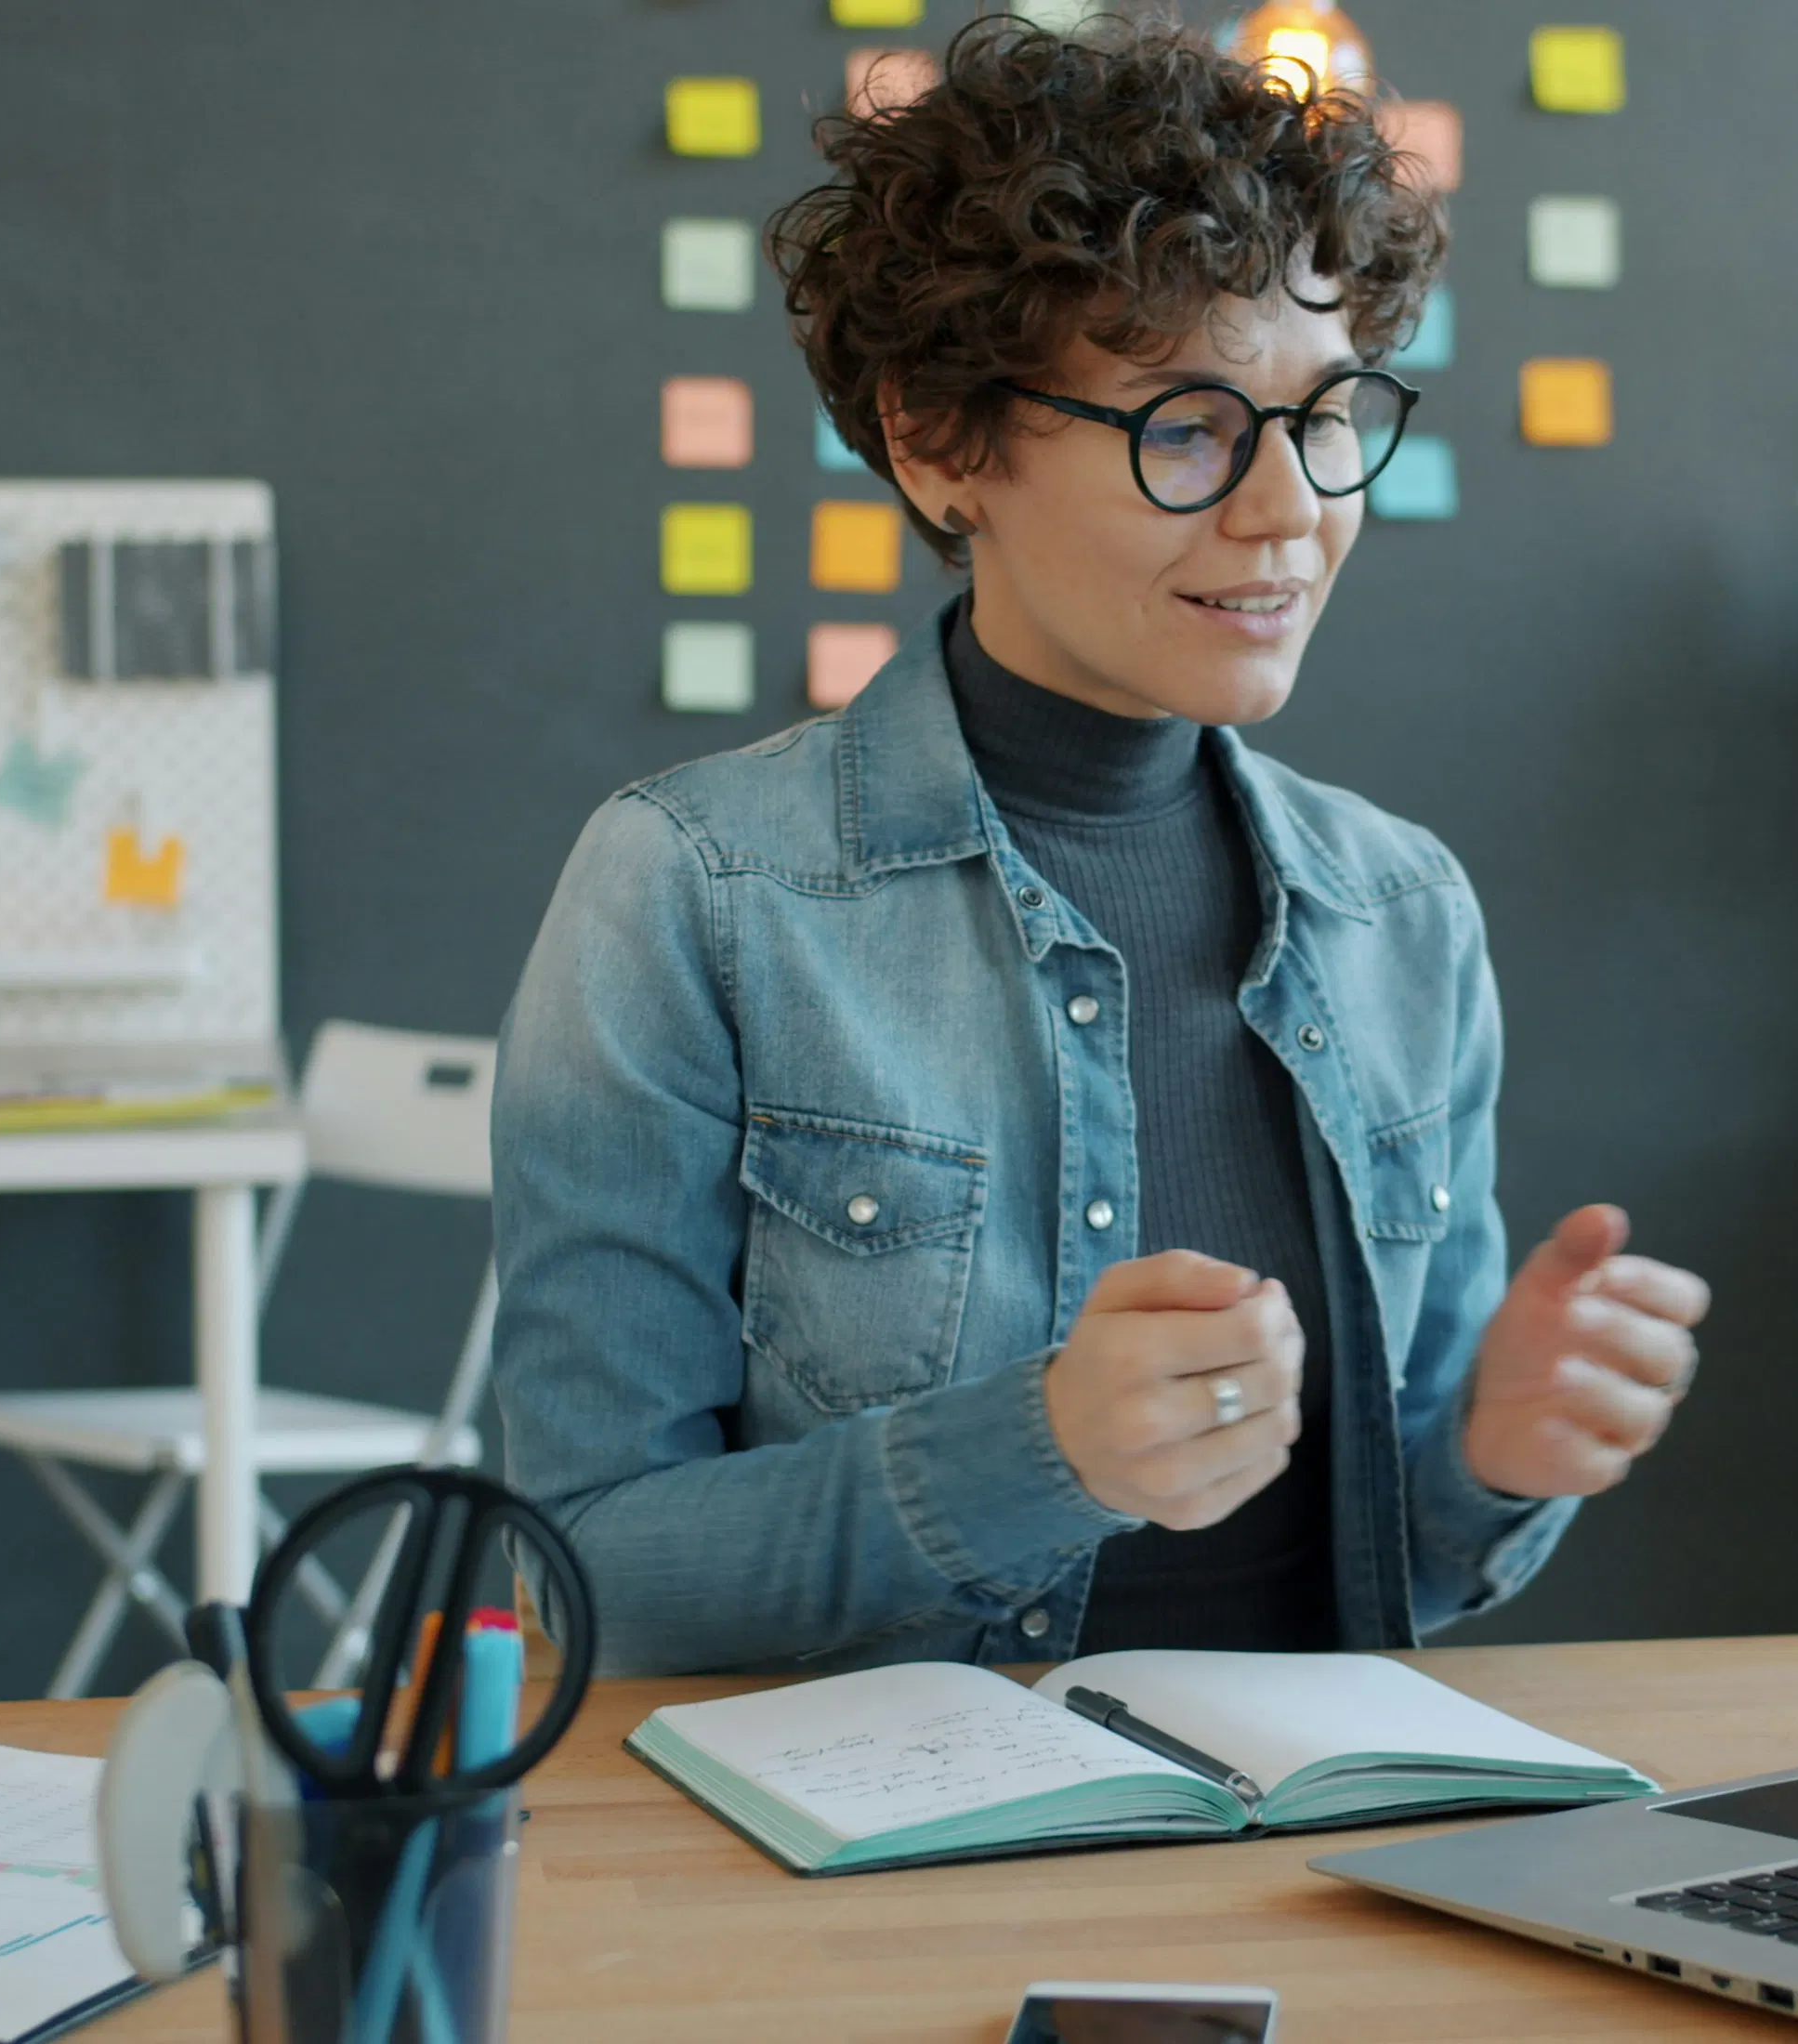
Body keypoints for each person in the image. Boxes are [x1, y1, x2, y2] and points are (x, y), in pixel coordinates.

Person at [491, 16, 1710, 1677]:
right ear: (939, 439)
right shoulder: (697, 895)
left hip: (1306, 1861)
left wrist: (1496, 1457)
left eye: (1327, 413)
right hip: (879, 1892)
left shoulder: (1400, 912)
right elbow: (590, 1577)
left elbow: (1385, 1574)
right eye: (1191, 425)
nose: (1289, 511)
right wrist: (1035, 1457)